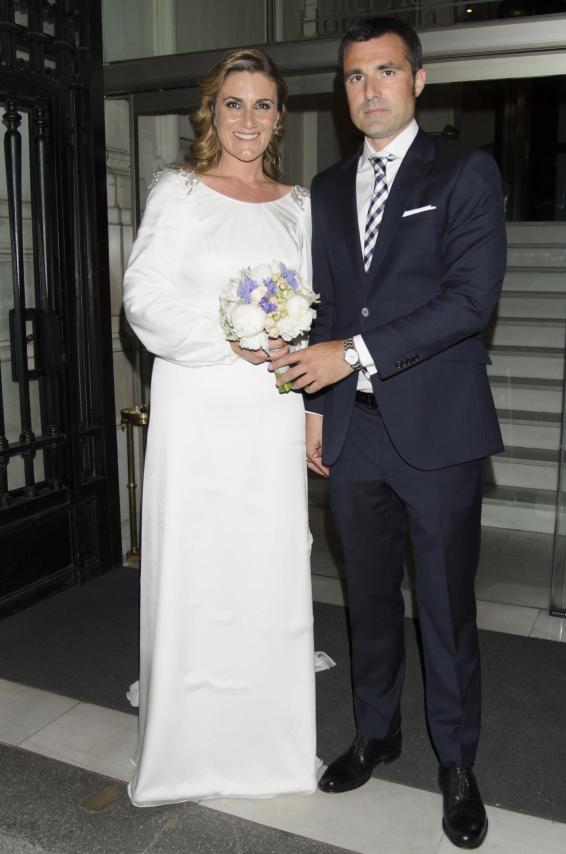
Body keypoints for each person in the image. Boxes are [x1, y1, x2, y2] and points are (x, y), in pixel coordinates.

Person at [270, 16, 506, 850]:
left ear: (418, 79)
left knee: (444, 609)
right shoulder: (328, 188)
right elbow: (327, 305)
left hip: (438, 430)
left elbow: (470, 301)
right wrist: (310, 407)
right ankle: (377, 734)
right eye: (354, 77)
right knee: (366, 600)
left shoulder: (465, 172)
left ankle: (457, 763)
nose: (368, 90)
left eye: (384, 72)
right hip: (354, 429)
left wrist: (354, 352)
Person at [123, 47, 317, 806]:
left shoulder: (297, 206)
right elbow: (143, 299)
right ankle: (192, 738)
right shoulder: (179, 192)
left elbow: (307, 318)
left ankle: (266, 739)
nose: (247, 119)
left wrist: (304, 406)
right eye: (233, 103)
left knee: (263, 559)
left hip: (268, 410)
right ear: (212, 112)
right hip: (199, 403)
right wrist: (223, 335)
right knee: (201, 559)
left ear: (279, 118)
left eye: (262, 105)